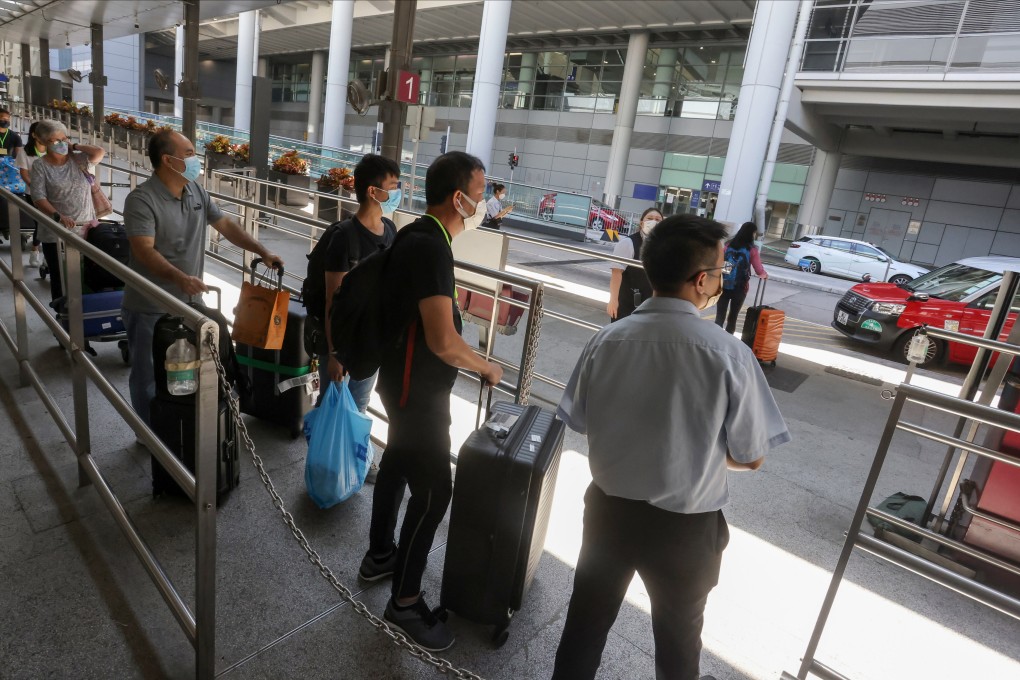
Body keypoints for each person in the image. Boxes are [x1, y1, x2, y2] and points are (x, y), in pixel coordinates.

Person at [553, 215, 791, 680]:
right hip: (687, 530)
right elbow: (751, 455)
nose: (720, 281)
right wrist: (693, 447)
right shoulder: (730, 354)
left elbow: (581, 421)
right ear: (702, 281)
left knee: (584, 629)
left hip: (608, 516)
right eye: (720, 273)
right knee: (680, 647)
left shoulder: (606, 341)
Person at [359, 151, 503, 652]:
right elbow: (443, 341)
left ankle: (380, 555)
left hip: (402, 388)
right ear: (456, 197)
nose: (484, 201)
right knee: (436, 492)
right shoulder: (431, 248)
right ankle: (404, 603)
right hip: (415, 393)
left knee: (397, 464)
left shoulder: (418, 234)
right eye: (480, 192)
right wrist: (485, 365)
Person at [121, 129, 283, 426]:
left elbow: (226, 225)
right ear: (168, 160)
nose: (197, 160)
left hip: (189, 303)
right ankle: (148, 434)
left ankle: (179, 429)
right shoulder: (141, 200)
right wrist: (179, 277)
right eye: (189, 154)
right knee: (148, 374)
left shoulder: (196, 191)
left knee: (187, 369)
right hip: (149, 305)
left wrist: (262, 250)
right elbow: (143, 251)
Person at [321, 153, 401, 483]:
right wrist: (334, 353)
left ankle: (354, 465)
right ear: (373, 191)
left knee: (359, 407)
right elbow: (331, 302)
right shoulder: (344, 237)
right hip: (345, 343)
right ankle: (329, 468)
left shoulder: (391, 230)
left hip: (372, 342)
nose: (398, 191)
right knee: (334, 407)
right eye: (394, 186)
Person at [29, 119, 105, 306]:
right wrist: (58, 216)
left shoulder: (79, 159)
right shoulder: (40, 166)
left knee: (87, 274)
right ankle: (63, 319)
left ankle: (85, 315)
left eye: (64, 138)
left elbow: (100, 153)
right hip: (56, 232)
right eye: (56, 140)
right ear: (45, 143)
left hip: (86, 229)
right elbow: (38, 197)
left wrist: (74, 145)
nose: (62, 143)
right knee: (60, 277)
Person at [607, 207, 662, 321]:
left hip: (650, 306)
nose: (654, 222)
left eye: (658, 220)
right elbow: (616, 273)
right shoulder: (628, 243)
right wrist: (613, 300)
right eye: (650, 218)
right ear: (642, 223)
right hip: (627, 303)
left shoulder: (663, 246)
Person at [714, 221, 768, 335]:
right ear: (752, 233)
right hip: (739, 288)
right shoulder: (752, 250)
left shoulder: (729, 245)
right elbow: (759, 270)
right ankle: (728, 342)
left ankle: (715, 339)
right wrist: (764, 274)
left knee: (719, 316)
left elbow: (724, 265)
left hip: (724, 285)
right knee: (733, 317)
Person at [15, 121, 45, 268]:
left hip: (53, 193)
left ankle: (49, 253)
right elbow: (24, 173)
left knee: (50, 223)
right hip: (33, 193)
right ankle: (35, 250)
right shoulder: (25, 152)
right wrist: (35, 187)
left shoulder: (54, 149)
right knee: (40, 222)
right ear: (34, 134)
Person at [0, 107, 24, 244]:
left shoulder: (14, 137)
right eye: (3, 118)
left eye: (7, 118)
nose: (5, 120)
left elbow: (18, 156)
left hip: (8, 169)